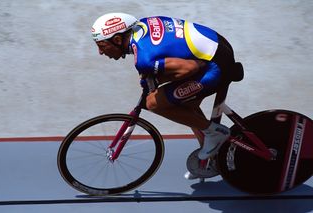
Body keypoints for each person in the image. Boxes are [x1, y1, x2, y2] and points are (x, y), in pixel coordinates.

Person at [91, 13, 237, 179]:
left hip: (216, 67)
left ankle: (215, 133)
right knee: (183, 105)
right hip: (218, 46)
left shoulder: (145, 58)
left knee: (154, 103)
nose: (100, 52)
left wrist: (158, 78)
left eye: (101, 45)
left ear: (117, 40)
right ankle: (211, 155)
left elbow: (189, 68)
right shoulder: (143, 25)